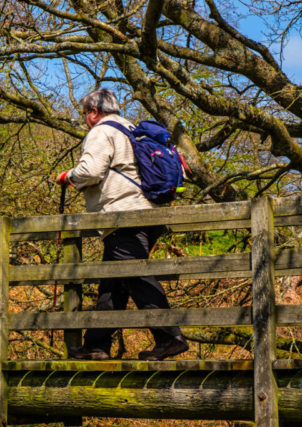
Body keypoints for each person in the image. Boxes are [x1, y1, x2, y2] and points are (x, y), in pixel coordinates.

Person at [54, 88, 189, 361]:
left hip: (123, 216)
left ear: (94, 112)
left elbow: (91, 170)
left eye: (85, 114)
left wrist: (69, 176)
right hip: (148, 215)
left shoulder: (101, 132)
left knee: (135, 274)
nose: (85, 120)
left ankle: (170, 337)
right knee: (114, 283)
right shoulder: (130, 129)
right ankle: (97, 345)